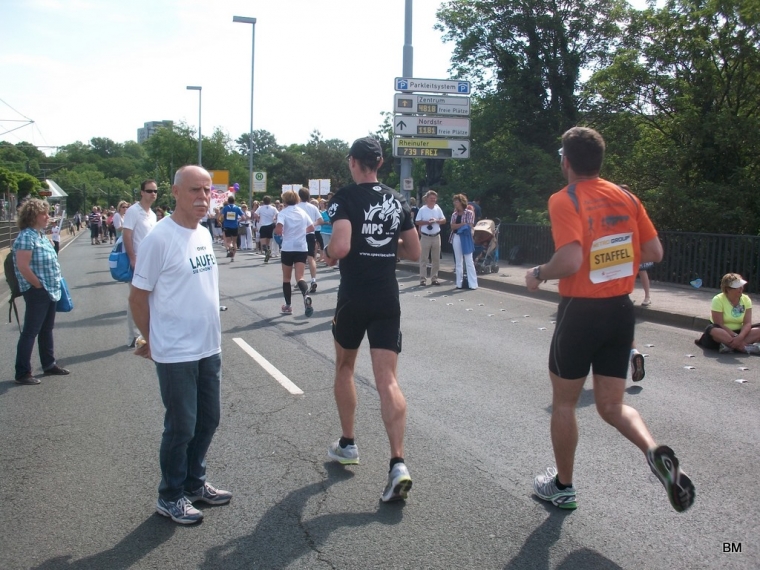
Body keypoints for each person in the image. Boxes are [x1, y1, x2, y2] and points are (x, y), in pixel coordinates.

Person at [525, 126, 695, 513]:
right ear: (599, 161)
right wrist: (617, 259)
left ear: (566, 162)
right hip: (620, 311)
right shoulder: (627, 196)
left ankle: (563, 487)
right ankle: (654, 451)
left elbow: (569, 259)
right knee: (612, 407)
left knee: (565, 404)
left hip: (580, 312)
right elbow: (654, 250)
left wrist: (538, 273)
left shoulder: (564, 198)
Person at [129, 165, 230, 525]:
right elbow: (138, 297)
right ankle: (169, 496)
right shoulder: (160, 237)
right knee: (181, 426)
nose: (203, 198)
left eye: (207, 191)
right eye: (194, 191)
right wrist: (153, 339)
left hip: (208, 346)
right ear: (175, 192)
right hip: (175, 351)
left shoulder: (202, 233)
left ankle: (193, 483)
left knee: (209, 420)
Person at [324, 136, 420, 502]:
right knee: (387, 380)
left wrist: (330, 251)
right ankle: (398, 463)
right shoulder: (398, 200)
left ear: (353, 162)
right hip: (386, 296)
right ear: (379, 164)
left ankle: (348, 443)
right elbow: (412, 250)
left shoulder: (344, 198)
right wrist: (383, 239)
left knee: (345, 367)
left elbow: (342, 246)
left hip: (353, 296)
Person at [12, 199, 70, 385]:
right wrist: (37, 285)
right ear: (32, 216)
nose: (47, 217)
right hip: (38, 291)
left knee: (46, 329)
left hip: (49, 289)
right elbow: (23, 265)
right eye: (43, 214)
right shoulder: (26, 237)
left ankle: (49, 363)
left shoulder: (40, 235)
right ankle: (23, 372)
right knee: (31, 331)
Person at [123, 179, 158, 347]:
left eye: (155, 191)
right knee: (136, 298)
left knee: (151, 298)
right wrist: (132, 258)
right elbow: (127, 235)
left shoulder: (152, 214)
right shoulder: (133, 211)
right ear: (142, 192)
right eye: (150, 191)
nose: (153, 194)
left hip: (152, 262)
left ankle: (149, 331)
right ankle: (133, 335)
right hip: (138, 261)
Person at [695, 273, 760, 354]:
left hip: (740, 333)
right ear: (728, 289)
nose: (741, 289)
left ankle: (729, 346)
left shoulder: (746, 299)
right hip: (723, 332)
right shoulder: (718, 299)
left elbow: (747, 323)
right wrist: (735, 336)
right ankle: (743, 347)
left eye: (741, 286)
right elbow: (719, 324)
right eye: (737, 287)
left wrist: (740, 337)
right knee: (713, 330)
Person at [275, 191, 315, 316]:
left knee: (287, 278)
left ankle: (288, 306)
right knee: (300, 277)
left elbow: (279, 229)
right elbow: (312, 227)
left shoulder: (283, 213)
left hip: (288, 247)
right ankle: (306, 295)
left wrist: (279, 232)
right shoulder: (302, 212)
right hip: (301, 247)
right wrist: (302, 231)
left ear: (284, 201)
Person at [415, 190, 446, 286]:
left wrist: (436, 220)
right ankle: (422, 279)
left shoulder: (437, 208)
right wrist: (427, 222)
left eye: (434, 198)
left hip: (436, 236)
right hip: (425, 236)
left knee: (436, 259)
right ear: (426, 199)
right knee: (423, 258)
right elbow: (417, 221)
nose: (433, 200)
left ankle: (434, 278)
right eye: (431, 198)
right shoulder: (423, 209)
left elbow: (444, 220)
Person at [449, 194, 478, 290]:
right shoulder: (454, 214)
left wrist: (458, 225)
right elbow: (452, 226)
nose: (455, 203)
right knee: (458, 261)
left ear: (461, 202)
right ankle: (459, 283)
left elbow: (470, 225)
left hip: (465, 237)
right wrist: (462, 224)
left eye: (456, 201)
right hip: (456, 236)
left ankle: (473, 283)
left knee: (469, 260)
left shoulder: (469, 213)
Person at [297, 187, 323, 292]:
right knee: (311, 257)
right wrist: (313, 224)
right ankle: (313, 280)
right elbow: (320, 220)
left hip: (299, 234)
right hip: (311, 234)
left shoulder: (296, 207)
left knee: (299, 259)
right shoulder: (313, 207)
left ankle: (300, 280)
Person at [254, 196, 278, 262]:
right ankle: (267, 251)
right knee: (268, 240)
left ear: (263, 201)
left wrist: (258, 218)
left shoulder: (260, 208)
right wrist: (274, 219)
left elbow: (255, 215)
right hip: (270, 225)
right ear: (270, 201)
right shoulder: (273, 208)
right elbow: (278, 214)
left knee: (262, 240)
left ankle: (266, 251)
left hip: (263, 225)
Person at [221, 196, 243, 261]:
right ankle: (232, 257)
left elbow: (221, 217)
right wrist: (238, 221)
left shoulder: (225, 208)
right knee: (234, 242)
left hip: (227, 226)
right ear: (234, 201)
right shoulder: (237, 208)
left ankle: (230, 247)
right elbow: (244, 217)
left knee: (228, 241)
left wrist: (222, 221)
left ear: (228, 201)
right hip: (235, 226)